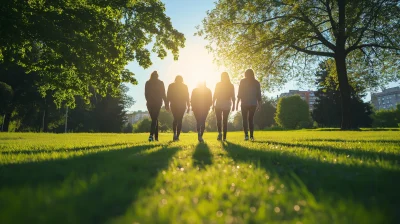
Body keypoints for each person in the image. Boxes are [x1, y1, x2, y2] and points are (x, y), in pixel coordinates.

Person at [236, 69, 261, 141]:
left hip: (244, 103)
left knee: (244, 119)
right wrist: (259, 105)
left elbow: (239, 93)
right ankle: (251, 136)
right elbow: (258, 95)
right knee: (251, 119)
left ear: (246, 74)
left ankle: (246, 135)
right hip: (253, 103)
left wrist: (237, 103)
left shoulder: (243, 81)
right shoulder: (256, 83)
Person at [145, 71, 168, 142]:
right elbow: (163, 94)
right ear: (157, 76)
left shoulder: (148, 83)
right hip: (157, 103)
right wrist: (166, 103)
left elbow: (146, 94)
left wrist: (148, 100)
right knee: (155, 119)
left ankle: (155, 137)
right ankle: (152, 135)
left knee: (154, 119)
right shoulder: (161, 83)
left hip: (150, 103)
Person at [213, 72, 235, 141]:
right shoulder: (230, 85)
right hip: (225, 103)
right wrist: (234, 105)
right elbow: (233, 96)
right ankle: (223, 136)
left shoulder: (219, 84)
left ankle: (220, 134)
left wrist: (213, 103)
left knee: (219, 120)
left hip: (221, 102)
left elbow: (215, 94)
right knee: (224, 121)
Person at [167, 75, 190, 141]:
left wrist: (167, 104)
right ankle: (177, 136)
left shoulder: (171, 85)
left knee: (175, 119)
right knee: (179, 120)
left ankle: (174, 134)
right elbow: (187, 96)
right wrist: (188, 105)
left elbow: (168, 95)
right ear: (182, 80)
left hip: (173, 104)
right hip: (182, 105)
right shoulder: (184, 86)